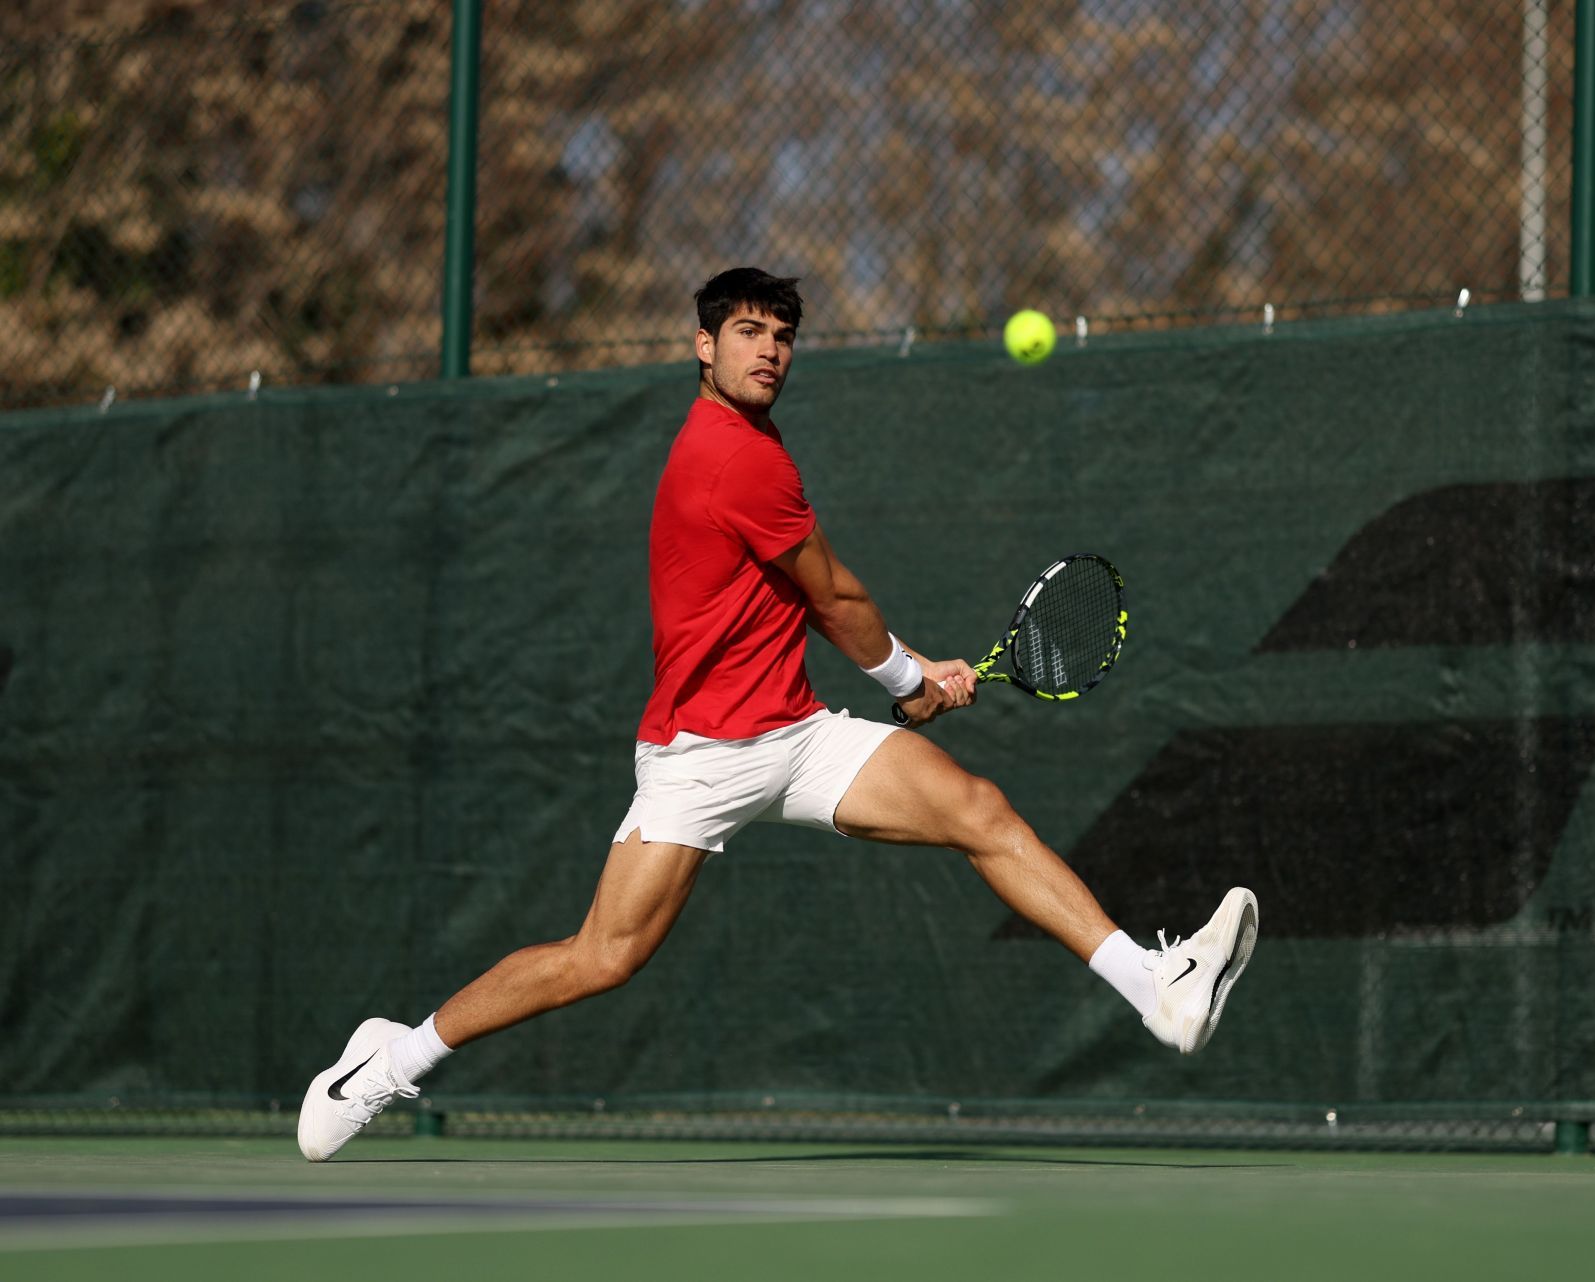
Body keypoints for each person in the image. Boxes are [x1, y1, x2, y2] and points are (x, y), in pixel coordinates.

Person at [297, 268, 1258, 1162]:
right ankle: (388, 1062)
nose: (769, 350)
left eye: (783, 336)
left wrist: (915, 667)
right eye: (747, 332)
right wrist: (908, 684)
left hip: (796, 735)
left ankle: (1156, 991)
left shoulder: (755, 443)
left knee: (979, 810)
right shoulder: (731, 459)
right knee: (603, 956)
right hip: (700, 757)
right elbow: (834, 596)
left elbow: (794, 601)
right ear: (702, 348)